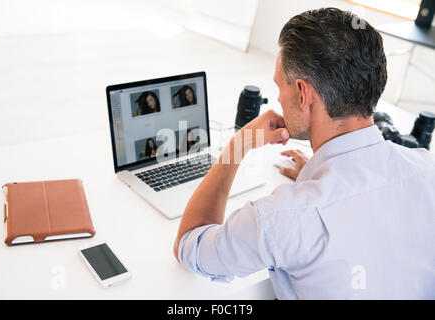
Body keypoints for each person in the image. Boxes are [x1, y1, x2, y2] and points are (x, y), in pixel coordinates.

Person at [173, 8, 435, 299]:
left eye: (279, 86)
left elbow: (189, 247)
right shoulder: (426, 167)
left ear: (302, 93)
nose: (278, 99)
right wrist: (328, 176)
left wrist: (238, 145)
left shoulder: (279, 218)